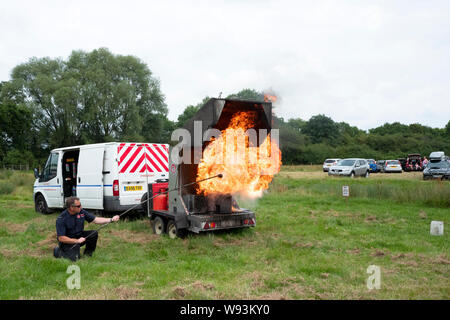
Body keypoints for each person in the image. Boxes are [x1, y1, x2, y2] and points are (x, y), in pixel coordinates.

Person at [54, 197, 119, 261]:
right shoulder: (61, 219)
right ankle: (58, 251)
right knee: (75, 258)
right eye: (78, 206)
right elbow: (61, 238)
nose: (81, 207)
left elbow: (96, 220)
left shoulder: (81, 212)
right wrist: (77, 241)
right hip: (68, 241)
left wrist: (111, 219)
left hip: (79, 236)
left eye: (80, 205)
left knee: (93, 233)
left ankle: (88, 254)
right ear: (71, 208)